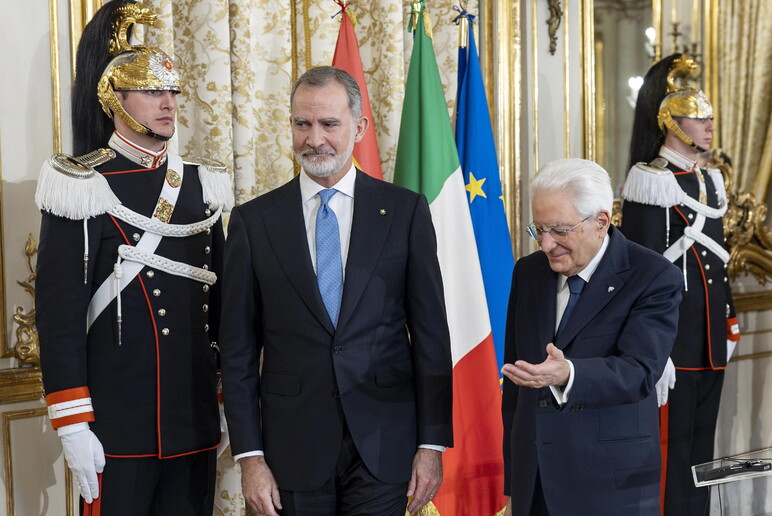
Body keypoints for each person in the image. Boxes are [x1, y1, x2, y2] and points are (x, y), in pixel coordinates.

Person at [219, 65, 453, 516]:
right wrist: (250, 458)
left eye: (329, 123)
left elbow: (431, 337)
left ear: (359, 127)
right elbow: (237, 351)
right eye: (302, 124)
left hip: (385, 446)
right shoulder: (253, 222)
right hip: (292, 452)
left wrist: (432, 443)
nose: (314, 139)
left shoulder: (404, 213)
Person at [34, 1, 233, 514]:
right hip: (117, 429)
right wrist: (74, 423)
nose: (168, 103)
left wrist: (232, 401)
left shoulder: (201, 185)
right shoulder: (82, 184)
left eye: (171, 91)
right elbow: (58, 318)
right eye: (151, 91)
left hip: (193, 422)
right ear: (114, 99)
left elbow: (225, 309)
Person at [501, 158, 684, 515]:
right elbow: (516, 386)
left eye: (559, 230)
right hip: (534, 480)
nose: (546, 244)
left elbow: (639, 371)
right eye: (538, 229)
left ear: (601, 221)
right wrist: (515, 482)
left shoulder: (653, 276)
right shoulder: (528, 273)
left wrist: (568, 373)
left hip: (611, 484)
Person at [620, 54, 740, 515]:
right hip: (674, 341)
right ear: (672, 122)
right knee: (671, 452)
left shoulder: (710, 180)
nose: (709, 127)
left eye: (710, 118)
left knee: (703, 452)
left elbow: (717, 260)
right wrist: (652, 346)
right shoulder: (650, 181)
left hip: (709, 338)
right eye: (699, 118)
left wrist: (728, 317)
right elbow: (642, 273)